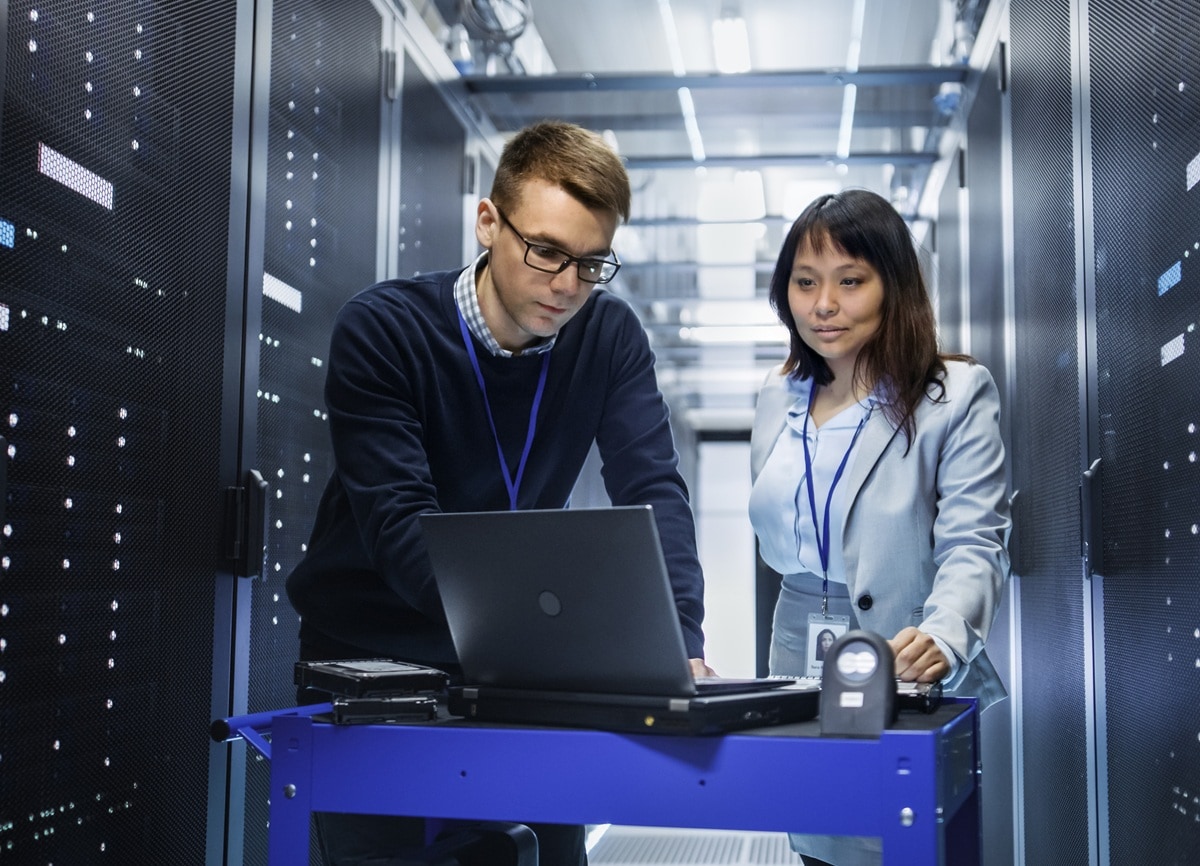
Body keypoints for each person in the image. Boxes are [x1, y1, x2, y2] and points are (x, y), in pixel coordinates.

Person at [286, 119, 714, 866]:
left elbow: (652, 487)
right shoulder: (385, 331)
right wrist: (546, 642)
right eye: (546, 251)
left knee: (547, 855)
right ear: (489, 222)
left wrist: (677, 645)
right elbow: (400, 527)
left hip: (518, 669)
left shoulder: (608, 338)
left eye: (591, 263)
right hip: (378, 660)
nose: (566, 285)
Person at [748, 189, 1011, 866]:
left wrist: (945, 634)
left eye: (850, 281)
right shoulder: (779, 397)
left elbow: (975, 542)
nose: (823, 305)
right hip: (801, 671)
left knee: (904, 846)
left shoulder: (950, 396)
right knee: (819, 844)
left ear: (893, 287)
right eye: (805, 283)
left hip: (910, 663)